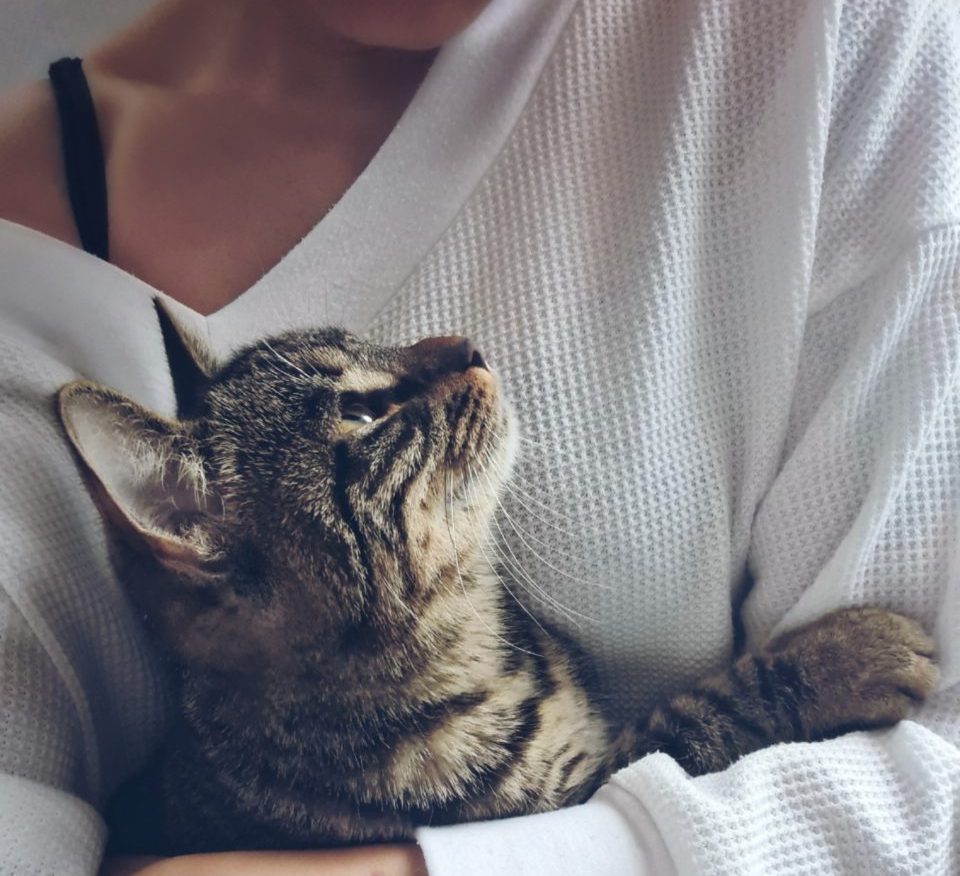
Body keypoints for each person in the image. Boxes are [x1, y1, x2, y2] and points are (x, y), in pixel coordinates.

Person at [1, 0, 958, 874]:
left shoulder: (841, 38)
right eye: (367, 410)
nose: (463, 361)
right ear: (192, 532)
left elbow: (937, 769)